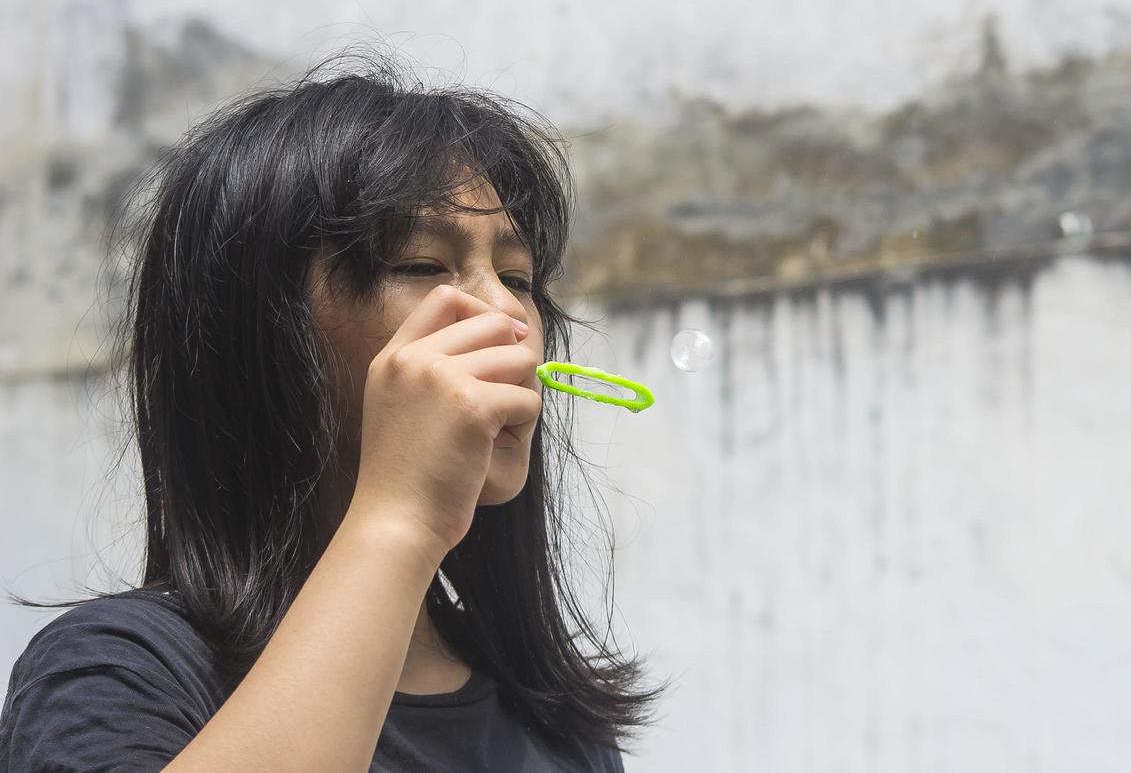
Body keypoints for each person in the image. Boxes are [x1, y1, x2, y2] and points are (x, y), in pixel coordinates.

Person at [0, 53, 664, 772]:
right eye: (420, 265)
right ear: (257, 335)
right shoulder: (120, 674)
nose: (508, 314)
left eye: (519, 277)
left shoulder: (553, 720)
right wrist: (400, 517)